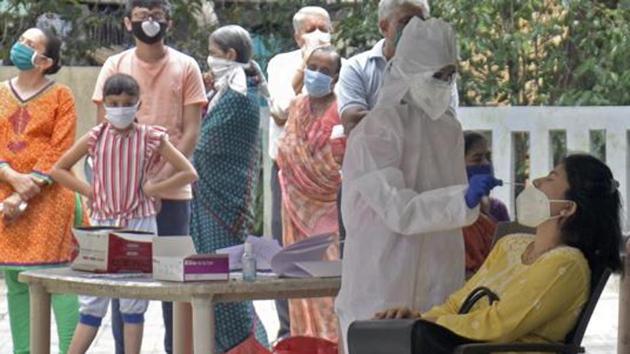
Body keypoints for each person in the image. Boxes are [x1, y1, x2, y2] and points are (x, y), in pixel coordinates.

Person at [334, 17, 501, 353]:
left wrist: (467, 202)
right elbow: (399, 210)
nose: (444, 83)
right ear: (409, 69)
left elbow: (456, 213)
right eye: (437, 75)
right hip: (383, 275)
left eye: (450, 75)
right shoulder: (375, 130)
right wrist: (462, 200)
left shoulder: (449, 129)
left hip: (440, 275)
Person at [375, 154, 623, 354]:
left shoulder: (567, 265)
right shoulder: (510, 245)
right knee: (378, 335)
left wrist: (428, 325)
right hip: (464, 346)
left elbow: (499, 325)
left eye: (550, 178)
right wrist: (418, 319)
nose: (536, 183)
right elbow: (458, 304)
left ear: (567, 208)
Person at [90, 1, 208, 352]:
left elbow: (190, 132)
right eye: (142, 16)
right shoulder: (115, 64)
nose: (150, 23)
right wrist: (127, 184)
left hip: (173, 193)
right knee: (124, 283)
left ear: (168, 22)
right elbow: (102, 127)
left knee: (174, 281)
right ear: (128, 23)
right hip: (123, 199)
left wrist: (160, 182)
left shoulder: (186, 66)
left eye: (156, 16)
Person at [51, 73, 198, 354]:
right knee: (93, 301)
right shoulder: (95, 137)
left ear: (138, 104)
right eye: (114, 102)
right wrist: (91, 191)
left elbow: (188, 172)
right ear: (105, 104)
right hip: (102, 225)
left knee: (134, 300)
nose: (120, 108)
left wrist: (155, 188)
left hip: (140, 224)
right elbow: (58, 169)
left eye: (127, 102)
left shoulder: (151, 136)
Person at [0, 27, 80, 354]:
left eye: (30, 45)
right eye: (20, 40)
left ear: (45, 61)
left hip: (49, 200)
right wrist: (9, 177)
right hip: (6, 197)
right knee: (16, 284)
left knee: (59, 283)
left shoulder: (62, 96)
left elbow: (60, 148)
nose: (20, 47)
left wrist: (24, 189)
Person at [191, 25, 269, 352]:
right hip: (212, 198)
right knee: (212, 282)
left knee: (227, 283)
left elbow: (207, 146)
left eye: (212, 51)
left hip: (224, 201)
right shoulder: (231, 89)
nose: (209, 59)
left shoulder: (239, 96)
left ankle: (248, 347)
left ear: (230, 55)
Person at [266, 6, 333, 339]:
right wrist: (305, 67)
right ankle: (289, 331)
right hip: (289, 177)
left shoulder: (343, 66)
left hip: (329, 181)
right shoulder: (281, 64)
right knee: (288, 251)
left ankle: (331, 331)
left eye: (323, 27)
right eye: (310, 29)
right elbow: (280, 110)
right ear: (296, 35)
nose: (318, 34)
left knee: (330, 252)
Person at [276, 46, 345, 341]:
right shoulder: (297, 107)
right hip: (294, 207)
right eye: (312, 66)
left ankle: (331, 343)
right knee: (298, 284)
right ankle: (304, 343)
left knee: (328, 284)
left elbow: (339, 163)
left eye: (325, 70)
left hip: (328, 211)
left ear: (336, 76)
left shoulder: (342, 110)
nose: (316, 74)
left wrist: (315, 167)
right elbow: (287, 150)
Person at [337, 0, 458, 135]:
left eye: (421, 22)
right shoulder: (357, 68)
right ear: (384, 27)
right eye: (406, 21)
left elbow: (447, 123)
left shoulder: (439, 71)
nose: (415, 28)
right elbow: (353, 123)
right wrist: (418, 120)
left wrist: (383, 120)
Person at [463, 131, 510, 274]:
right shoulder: (450, 218)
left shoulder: (497, 209)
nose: (486, 164)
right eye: (477, 159)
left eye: (487, 157)